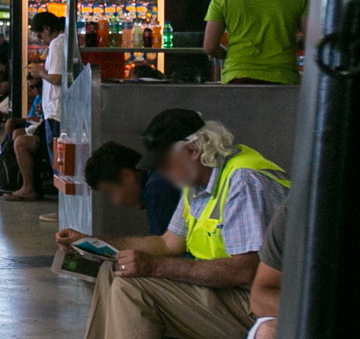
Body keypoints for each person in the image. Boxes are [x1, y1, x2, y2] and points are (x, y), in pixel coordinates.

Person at [60, 109, 289, 339]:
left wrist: (155, 267)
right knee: (114, 268)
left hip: (253, 302)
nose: (160, 172)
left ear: (191, 150)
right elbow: (168, 243)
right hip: (225, 291)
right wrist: (92, 242)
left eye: (164, 163)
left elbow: (246, 270)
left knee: (133, 289)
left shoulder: (243, 182)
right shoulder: (196, 184)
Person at [82, 142, 181, 236]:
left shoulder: (156, 190)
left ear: (127, 177)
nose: (117, 202)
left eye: (111, 191)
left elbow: (164, 247)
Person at [29, 12, 68, 215]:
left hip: (55, 112)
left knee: (58, 162)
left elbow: (56, 77)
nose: (40, 39)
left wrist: (39, 72)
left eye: (39, 34)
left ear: (46, 28)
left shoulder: (57, 44)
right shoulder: (63, 43)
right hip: (55, 111)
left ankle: (62, 209)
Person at [247, 201, 288, 339]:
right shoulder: (300, 206)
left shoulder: (245, 183)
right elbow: (261, 296)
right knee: (268, 331)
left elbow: (243, 271)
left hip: (239, 289)